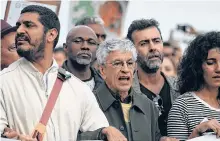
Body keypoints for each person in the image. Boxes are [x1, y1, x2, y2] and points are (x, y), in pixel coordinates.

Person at [0, 5, 126, 141]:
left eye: (29, 25)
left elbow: (97, 131)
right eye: (18, 25)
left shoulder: (78, 88)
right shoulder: (4, 81)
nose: (19, 30)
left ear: (51, 34)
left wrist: (106, 131)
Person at [90, 39, 177, 141]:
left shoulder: (148, 105)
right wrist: (102, 133)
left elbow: (154, 137)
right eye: (117, 63)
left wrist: (162, 140)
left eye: (130, 63)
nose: (125, 69)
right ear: (102, 70)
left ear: (135, 67)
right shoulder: (89, 103)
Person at [167, 31, 220, 140]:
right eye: (211, 62)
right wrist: (197, 132)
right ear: (197, 67)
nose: (219, 69)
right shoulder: (182, 106)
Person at [126, 18, 180, 136]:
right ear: (132, 51)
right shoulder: (124, 93)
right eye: (144, 43)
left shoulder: (182, 87)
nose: (152, 48)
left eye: (156, 41)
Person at [62, 25, 103, 91]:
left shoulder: (105, 86)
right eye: (78, 41)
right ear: (66, 47)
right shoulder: (52, 80)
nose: (85, 46)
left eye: (91, 42)